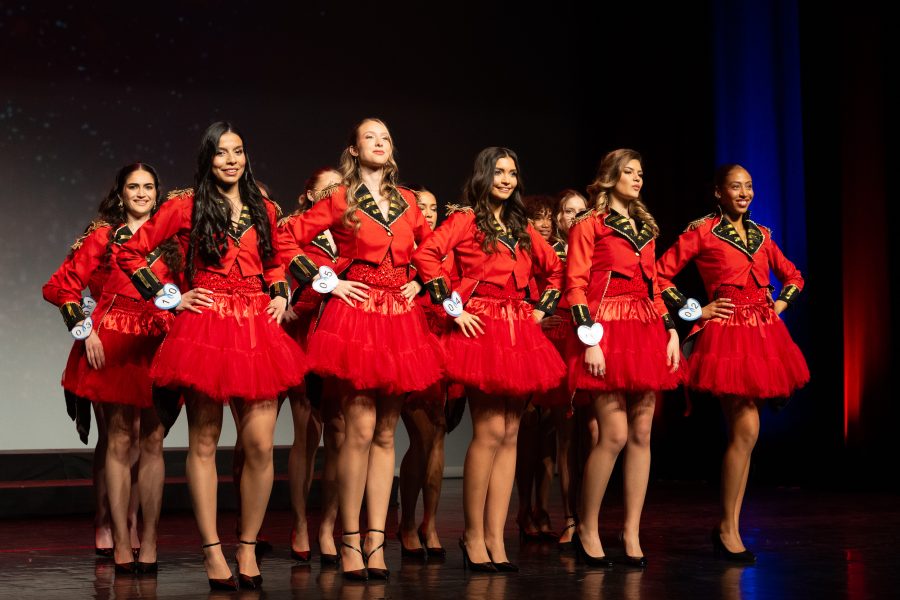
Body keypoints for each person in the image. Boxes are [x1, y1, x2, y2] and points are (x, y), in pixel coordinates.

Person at [117, 122, 305, 590]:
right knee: (204, 441)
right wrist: (168, 297)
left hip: (256, 326)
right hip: (207, 324)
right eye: (221, 153)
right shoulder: (185, 205)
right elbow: (130, 253)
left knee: (260, 444)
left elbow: (275, 261)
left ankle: (247, 545)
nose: (231, 160)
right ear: (208, 158)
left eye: (238, 151)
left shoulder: (264, 207)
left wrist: (280, 292)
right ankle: (211, 549)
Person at [283, 118, 444, 581]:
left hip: (399, 319)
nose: (379, 142)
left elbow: (433, 251)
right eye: (369, 137)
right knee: (358, 431)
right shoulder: (341, 197)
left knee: (386, 434)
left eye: (385, 137)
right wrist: (327, 282)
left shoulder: (408, 201)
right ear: (353, 150)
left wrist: (422, 282)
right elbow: (287, 237)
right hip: (356, 316)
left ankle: (377, 539)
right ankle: (349, 538)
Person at [412, 146, 565, 573]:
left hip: (518, 327)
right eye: (499, 172)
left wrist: (541, 309)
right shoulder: (466, 218)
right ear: (484, 175)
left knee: (511, 433)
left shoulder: (520, 225)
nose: (506, 179)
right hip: (481, 327)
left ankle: (496, 537)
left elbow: (555, 270)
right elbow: (426, 256)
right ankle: (474, 535)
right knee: (489, 430)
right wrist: (453, 308)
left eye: (512, 173)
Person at [656, 163, 809, 563]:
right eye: (736, 187)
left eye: (749, 186)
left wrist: (779, 305)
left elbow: (794, 277)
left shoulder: (762, 235)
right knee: (746, 429)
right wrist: (696, 310)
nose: (744, 193)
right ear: (718, 193)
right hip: (727, 337)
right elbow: (658, 275)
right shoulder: (702, 232)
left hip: (762, 335)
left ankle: (730, 526)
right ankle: (727, 528)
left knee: (748, 434)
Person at [43, 163, 182, 572]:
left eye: (148, 186)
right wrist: (85, 329)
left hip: (159, 342)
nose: (141, 193)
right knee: (120, 440)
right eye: (133, 186)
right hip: (115, 341)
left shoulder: (174, 238)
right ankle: (119, 535)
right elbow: (59, 286)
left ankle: (147, 537)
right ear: (120, 193)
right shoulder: (103, 236)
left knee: (152, 442)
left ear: (158, 193)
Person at [565, 149, 681, 569]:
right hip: (606, 329)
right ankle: (588, 526)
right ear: (610, 177)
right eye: (629, 172)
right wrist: (590, 339)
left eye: (641, 173)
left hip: (645, 328)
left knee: (642, 432)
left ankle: (631, 530)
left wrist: (671, 330)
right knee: (613, 433)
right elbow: (575, 284)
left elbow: (655, 285)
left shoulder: (645, 226)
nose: (637, 178)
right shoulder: (589, 223)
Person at [277, 168, 346, 564]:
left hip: (339, 335)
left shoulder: (352, 228)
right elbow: (276, 269)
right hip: (300, 333)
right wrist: (283, 300)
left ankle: (328, 526)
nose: (336, 194)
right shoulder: (292, 229)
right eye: (328, 188)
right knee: (306, 433)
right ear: (309, 195)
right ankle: (301, 523)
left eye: (341, 188)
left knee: (338, 434)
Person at [397, 185, 457, 559]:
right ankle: (406, 522)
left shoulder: (450, 252)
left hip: (448, 348)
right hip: (413, 347)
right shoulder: (404, 250)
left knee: (437, 438)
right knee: (422, 437)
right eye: (422, 207)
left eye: (434, 207)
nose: (429, 213)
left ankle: (429, 523)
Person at [515, 194, 561, 543]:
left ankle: (543, 510)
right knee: (527, 431)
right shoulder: (522, 247)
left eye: (549, 217)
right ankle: (523, 509)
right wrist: (536, 317)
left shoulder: (561, 252)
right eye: (538, 217)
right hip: (526, 339)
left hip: (558, 342)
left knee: (549, 435)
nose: (545, 223)